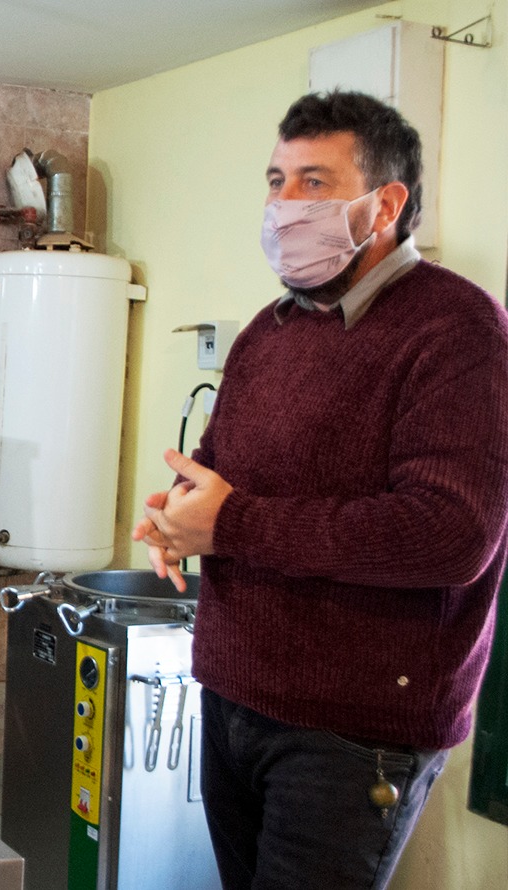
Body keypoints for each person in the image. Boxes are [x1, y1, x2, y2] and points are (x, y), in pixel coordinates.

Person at [132, 90, 508, 889]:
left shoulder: (460, 330)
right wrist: (178, 515)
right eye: (275, 180)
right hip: (235, 692)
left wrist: (230, 527)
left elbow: (450, 533)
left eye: (313, 182)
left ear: (386, 204)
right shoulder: (269, 333)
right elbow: (217, 471)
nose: (282, 205)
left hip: (354, 733)